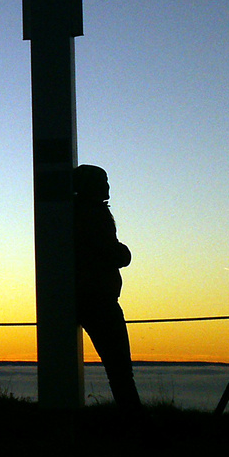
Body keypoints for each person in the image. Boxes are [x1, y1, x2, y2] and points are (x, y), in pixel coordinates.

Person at [74, 164, 142, 412]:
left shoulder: (82, 212)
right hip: (100, 301)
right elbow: (108, 252)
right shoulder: (92, 215)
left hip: (93, 298)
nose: (107, 186)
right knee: (120, 369)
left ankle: (134, 422)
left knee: (119, 370)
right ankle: (136, 425)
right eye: (102, 181)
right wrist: (123, 253)